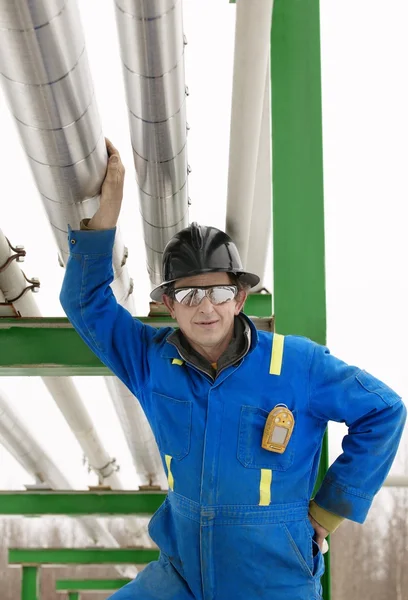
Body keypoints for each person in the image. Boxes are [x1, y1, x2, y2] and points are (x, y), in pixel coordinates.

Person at [60, 139, 406, 600]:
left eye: (220, 294)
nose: (206, 308)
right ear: (168, 304)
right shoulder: (150, 361)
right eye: (188, 296)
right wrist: (106, 216)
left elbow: (383, 410)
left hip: (273, 578)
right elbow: (84, 303)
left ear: (240, 298)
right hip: (180, 574)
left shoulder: (296, 365)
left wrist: (328, 512)